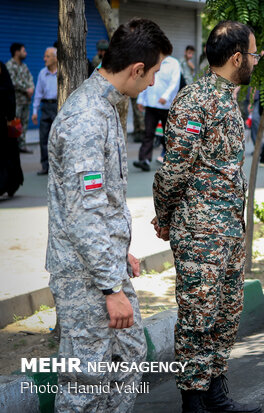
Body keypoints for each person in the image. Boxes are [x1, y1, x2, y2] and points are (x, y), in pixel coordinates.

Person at [46, 18, 172, 412]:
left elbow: (99, 205)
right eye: (153, 73)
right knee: (87, 380)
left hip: (103, 268)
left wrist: (119, 254)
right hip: (86, 280)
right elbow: (85, 215)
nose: (152, 83)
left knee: (128, 357)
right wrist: (111, 288)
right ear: (137, 69)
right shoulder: (86, 119)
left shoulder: (104, 107)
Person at [152, 20, 261, 413]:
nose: (256, 60)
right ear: (237, 58)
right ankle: (193, 401)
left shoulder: (229, 98)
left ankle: (216, 393)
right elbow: (175, 170)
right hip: (200, 234)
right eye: (254, 54)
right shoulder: (194, 100)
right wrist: (163, 216)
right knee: (198, 318)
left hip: (229, 232)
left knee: (226, 314)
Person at [134, 54, 181, 171]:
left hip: (167, 106)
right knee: (148, 133)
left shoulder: (173, 63)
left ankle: (171, 160)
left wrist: (166, 96)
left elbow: (174, 83)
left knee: (168, 135)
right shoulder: (150, 60)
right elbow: (144, 79)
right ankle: (144, 160)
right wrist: (141, 99)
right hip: (151, 104)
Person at [32, 47, 58, 175]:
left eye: (47, 56)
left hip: (58, 106)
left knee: (58, 138)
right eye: (45, 56)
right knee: (44, 138)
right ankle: (45, 166)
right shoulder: (42, 73)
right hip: (46, 107)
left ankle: (58, 167)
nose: (44, 59)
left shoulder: (62, 72)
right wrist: (35, 111)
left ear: (55, 58)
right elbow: (38, 93)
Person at [0, 60, 24, 197]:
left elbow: (10, 100)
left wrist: (10, 118)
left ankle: (9, 184)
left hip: (6, 124)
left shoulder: (5, 85)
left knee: (7, 155)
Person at [5, 43, 34, 153]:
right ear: (17, 52)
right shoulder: (9, 65)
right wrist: (26, 89)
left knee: (24, 124)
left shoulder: (24, 66)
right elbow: (13, 82)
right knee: (14, 124)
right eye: (23, 51)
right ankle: (13, 147)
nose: (25, 53)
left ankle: (22, 145)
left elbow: (30, 78)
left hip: (26, 101)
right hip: (16, 101)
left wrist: (31, 88)